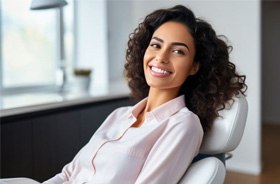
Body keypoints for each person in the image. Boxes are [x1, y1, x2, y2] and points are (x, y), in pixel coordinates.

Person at [44, 5, 247, 184]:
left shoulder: (183, 125)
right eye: (156, 45)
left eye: (178, 51)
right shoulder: (119, 115)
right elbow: (69, 174)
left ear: (194, 66)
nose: (161, 57)